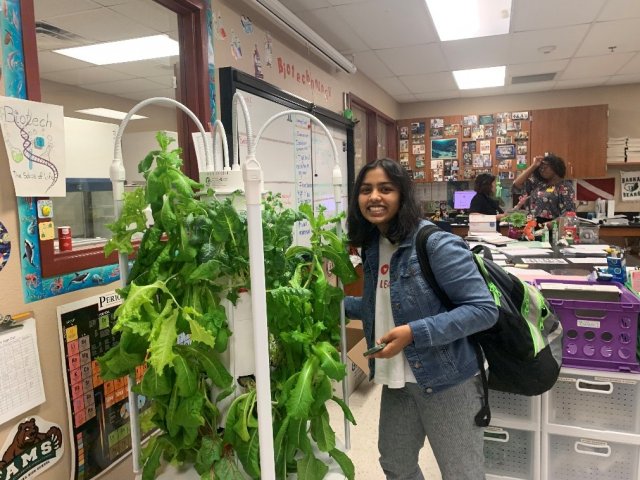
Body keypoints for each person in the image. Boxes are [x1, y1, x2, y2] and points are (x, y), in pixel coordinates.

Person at [344, 158, 498, 480]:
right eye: (366, 189)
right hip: (397, 380)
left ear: (403, 195)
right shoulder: (373, 247)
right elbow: (382, 305)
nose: (374, 197)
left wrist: (414, 333)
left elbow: (483, 309)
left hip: (448, 379)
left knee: (462, 474)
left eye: (385, 189)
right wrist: (334, 304)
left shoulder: (435, 243)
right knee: (396, 466)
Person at [512, 153, 576, 223]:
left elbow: (569, 214)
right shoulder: (538, 183)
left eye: (545, 167)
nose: (542, 170)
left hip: (553, 228)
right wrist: (533, 166)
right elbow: (517, 184)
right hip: (532, 225)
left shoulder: (565, 187)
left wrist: (548, 225)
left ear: (555, 167)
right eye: (540, 168)